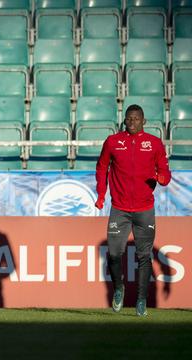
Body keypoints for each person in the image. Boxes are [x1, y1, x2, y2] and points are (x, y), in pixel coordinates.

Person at [95, 104, 171, 317]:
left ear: (144, 121)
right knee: (113, 255)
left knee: (144, 256)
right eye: (129, 119)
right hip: (119, 209)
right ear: (124, 120)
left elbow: (165, 172)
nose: (132, 122)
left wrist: (161, 178)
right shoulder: (113, 142)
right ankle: (119, 288)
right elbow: (102, 168)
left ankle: (141, 300)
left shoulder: (154, 144)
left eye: (136, 119)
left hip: (144, 209)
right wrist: (101, 195)